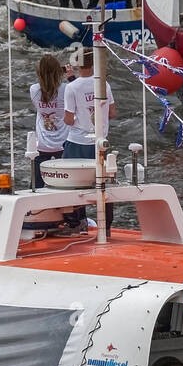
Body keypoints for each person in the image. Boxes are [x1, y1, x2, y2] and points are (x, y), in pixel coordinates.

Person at [63, 49, 117, 230]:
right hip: (100, 141)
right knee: (103, 182)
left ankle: (78, 222)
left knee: (73, 185)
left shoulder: (71, 87)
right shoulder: (105, 85)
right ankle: (106, 225)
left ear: (77, 65)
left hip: (77, 141)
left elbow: (69, 119)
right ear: (93, 64)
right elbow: (112, 113)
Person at [29, 54, 68, 189]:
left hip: (43, 144)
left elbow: (47, 85)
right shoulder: (66, 89)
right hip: (63, 144)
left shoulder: (34, 90)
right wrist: (67, 75)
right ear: (58, 71)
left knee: (36, 186)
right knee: (65, 185)